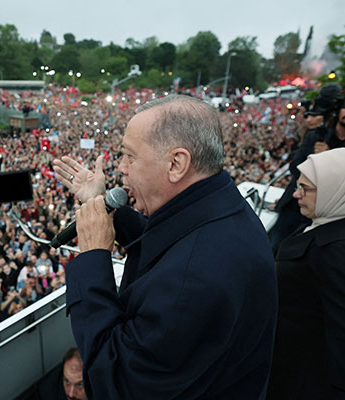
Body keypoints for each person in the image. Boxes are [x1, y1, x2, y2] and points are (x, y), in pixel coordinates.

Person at [53, 95, 277, 399]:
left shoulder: (192, 281)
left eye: (130, 157)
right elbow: (172, 240)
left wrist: (94, 257)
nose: (121, 168)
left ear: (176, 164)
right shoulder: (221, 205)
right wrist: (105, 207)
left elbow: (115, 380)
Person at [267, 148, 345, 399]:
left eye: (306, 189)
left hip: (306, 379)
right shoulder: (336, 221)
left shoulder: (343, 253)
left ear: (340, 188)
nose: (296, 194)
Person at [268, 86, 345, 252]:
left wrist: (328, 158)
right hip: (293, 210)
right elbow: (295, 168)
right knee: (274, 250)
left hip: (327, 219)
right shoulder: (317, 135)